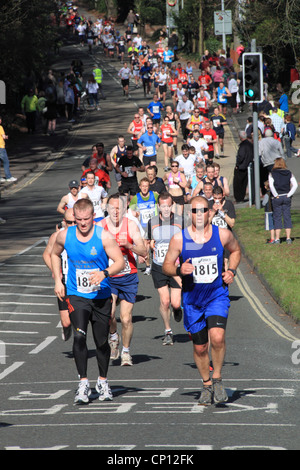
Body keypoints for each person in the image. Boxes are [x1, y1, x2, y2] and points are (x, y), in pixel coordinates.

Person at [162, 195, 241, 405]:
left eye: (203, 210)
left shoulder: (222, 234)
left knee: (217, 337)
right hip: (192, 300)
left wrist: (231, 271)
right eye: (195, 211)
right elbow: (166, 266)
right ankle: (206, 383)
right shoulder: (179, 239)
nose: (199, 215)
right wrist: (179, 269)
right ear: (190, 213)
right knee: (200, 347)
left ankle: (217, 379)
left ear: (209, 212)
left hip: (216, 295)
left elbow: (236, 250)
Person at [51, 198, 125, 404]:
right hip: (77, 294)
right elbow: (54, 255)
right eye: (79, 219)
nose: (83, 224)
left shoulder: (104, 237)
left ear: (94, 216)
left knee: (101, 342)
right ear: (74, 218)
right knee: (79, 337)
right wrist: (58, 280)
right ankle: (83, 382)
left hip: (101, 295)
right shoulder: (64, 236)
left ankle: (102, 381)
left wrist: (105, 273)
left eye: (87, 219)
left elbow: (120, 261)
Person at [98, 194, 147, 365]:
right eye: (112, 208)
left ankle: (126, 352)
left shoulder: (131, 225)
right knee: (109, 315)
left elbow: (144, 251)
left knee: (126, 318)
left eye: (119, 208)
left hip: (128, 276)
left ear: (124, 209)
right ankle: (113, 336)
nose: (115, 211)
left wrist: (130, 246)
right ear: (107, 209)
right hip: (108, 277)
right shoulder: (100, 226)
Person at [147, 192, 183, 345]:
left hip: (175, 267)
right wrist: (149, 244)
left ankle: (177, 309)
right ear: (158, 206)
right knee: (165, 300)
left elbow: (187, 242)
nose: (166, 209)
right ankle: (168, 331)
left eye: (168, 206)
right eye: (163, 207)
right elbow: (148, 240)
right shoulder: (152, 222)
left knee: (175, 303)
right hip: (159, 266)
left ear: (172, 205)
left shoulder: (181, 221)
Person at [43, 208, 76, 341]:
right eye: (70, 222)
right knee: (66, 321)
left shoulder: (85, 236)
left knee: (79, 319)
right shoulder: (57, 236)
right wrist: (56, 272)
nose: (73, 225)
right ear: (64, 222)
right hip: (63, 283)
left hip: (78, 283)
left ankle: (79, 347)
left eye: (75, 222)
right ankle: (66, 327)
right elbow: (46, 254)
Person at [129, 177, 159, 275]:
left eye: (146, 186)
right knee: (146, 244)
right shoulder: (135, 198)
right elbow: (131, 212)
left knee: (153, 245)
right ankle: (148, 266)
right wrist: (136, 215)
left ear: (149, 187)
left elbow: (162, 203)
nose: (145, 188)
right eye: (143, 186)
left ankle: (157, 263)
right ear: (140, 187)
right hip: (143, 225)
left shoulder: (154, 195)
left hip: (154, 224)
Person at [268, 157, 298, 244]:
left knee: (277, 217)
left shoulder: (272, 173)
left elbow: (271, 185)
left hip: (277, 198)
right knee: (287, 216)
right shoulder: (289, 173)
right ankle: (288, 238)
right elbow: (295, 185)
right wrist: (289, 194)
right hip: (286, 197)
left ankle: (277, 238)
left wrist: (276, 195)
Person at [233, 131, 254, 203]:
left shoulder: (242, 146)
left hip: (241, 167)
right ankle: (241, 197)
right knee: (244, 183)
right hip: (248, 166)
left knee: (238, 183)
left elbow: (241, 156)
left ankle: (238, 198)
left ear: (240, 137)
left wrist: (237, 164)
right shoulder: (250, 144)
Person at [0, 117, 17, 183]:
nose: (0, 120)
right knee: (6, 162)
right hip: (1, 147)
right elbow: (4, 136)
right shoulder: (0, 127)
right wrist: (7, 137)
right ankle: (8, 177)